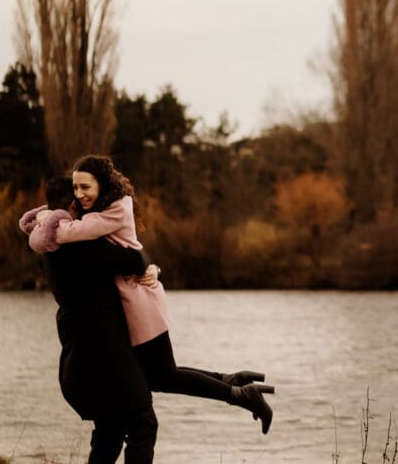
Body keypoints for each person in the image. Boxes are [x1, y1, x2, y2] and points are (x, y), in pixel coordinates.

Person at [21, 157, 274, 434]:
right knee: (160, 375)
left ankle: (238, 393)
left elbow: (125, 254)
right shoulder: (98, 215)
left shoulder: (103, 215)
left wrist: (47, 219)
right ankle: (233, 382)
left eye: (85, 187)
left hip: (140, 304)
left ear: (101, 185)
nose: (80, 195)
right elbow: (132, 253)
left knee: (163, 375)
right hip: (134, 303)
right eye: (75, 188)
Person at [21, 205, 186, 464]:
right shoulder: (80, 245)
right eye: (77, 198)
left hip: (82, 354)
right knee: (142, 424)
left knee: (109, 432)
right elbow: (134, 260)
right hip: (102, 355)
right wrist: (149, 266)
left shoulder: (54, 244)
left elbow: (135, 260)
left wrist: (148, 265)